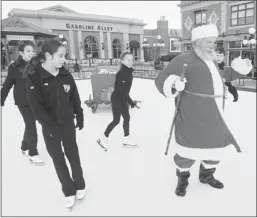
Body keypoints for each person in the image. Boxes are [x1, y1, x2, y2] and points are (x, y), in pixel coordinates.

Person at [155, 24, 252, 197]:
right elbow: (161, 79)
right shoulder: (183, 59)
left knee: (214, 148)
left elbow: (223, 75)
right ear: (198, 42)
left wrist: (239, 69)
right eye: (209, 42)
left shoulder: (211, 60)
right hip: (191, 117)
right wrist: (174, 84)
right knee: (187, 151)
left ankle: (207, 176)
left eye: (213, 42)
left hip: (214, 117)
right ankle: (183, 179)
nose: (212, 45)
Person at [24, 39, 86, 208]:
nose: (63, 59)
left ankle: (80, 183)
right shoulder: (34, 77)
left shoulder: (65, 74)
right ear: (48, 56)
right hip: (50, 127)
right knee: (58, 158)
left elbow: (74, 96)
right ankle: (68, 189)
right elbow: (36, 107)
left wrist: (79, 114)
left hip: (67, 123)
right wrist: (50, 128)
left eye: (64, 55)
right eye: (60, 56)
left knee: (73, 154)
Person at [1, 41, 44, 165]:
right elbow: (8, 83)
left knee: (30, 123)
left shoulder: (37, 65)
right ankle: (33, 153)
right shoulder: (14, 67)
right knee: (31, 124)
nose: (31, 53)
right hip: (22, 101)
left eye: (32, 51)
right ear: (21, 53)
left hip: (35, 99)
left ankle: (24, 147)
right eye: (28, 51)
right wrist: (1, 98)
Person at [97, 52, 138, 149]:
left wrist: (129, 101)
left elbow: (125, 91)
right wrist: (131, 101)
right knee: (116, 120)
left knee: (127, 118)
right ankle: (103, 138)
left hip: (122, 98)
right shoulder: (122, 73)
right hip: (117, 99)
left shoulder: (128, 72)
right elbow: (122, 90)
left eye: (132, 60)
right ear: (122, 61)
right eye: (128, 60)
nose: (130, 62)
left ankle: (126, 138)